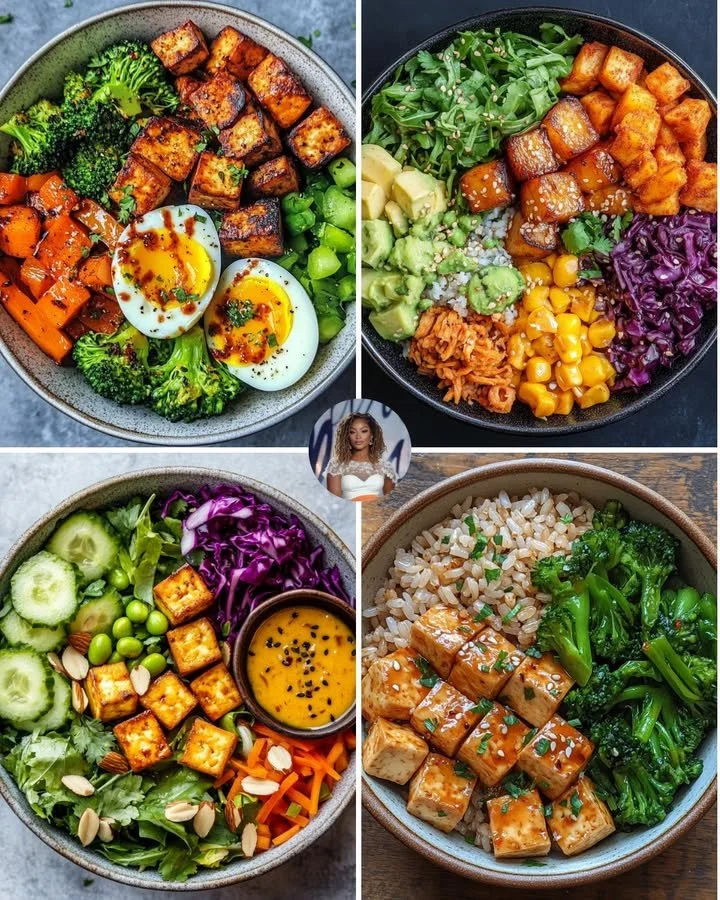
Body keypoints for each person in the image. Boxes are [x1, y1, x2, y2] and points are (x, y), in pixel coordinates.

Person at [326, 413, 396, 501]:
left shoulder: (384, 466)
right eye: (352, 432)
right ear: (347, 436)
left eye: (364, 431)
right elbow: (335, 502)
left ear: (371, 435)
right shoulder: (336, 465)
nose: (358, 436)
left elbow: (390, 502)